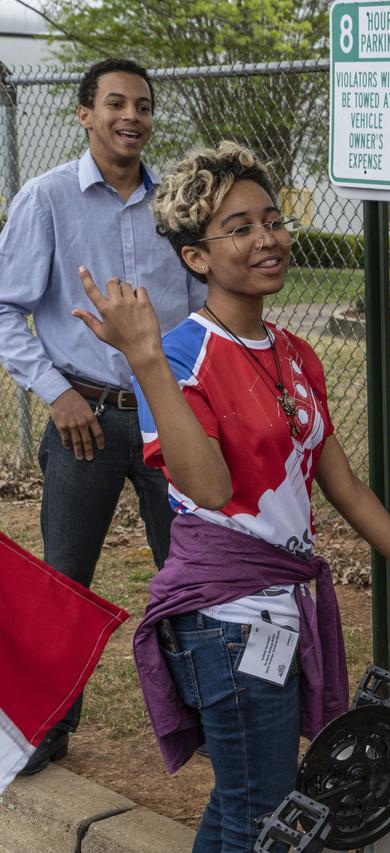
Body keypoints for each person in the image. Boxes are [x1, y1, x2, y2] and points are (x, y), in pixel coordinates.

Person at [71, 141, 390, 851]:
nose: (269, 239)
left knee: (243, 806)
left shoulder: (296, 352)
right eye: (240, 228)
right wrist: (142, 359)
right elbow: (207, 487)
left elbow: (344, 485)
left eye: (273, 218)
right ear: (196, 257)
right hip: (226, 622)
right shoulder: (178, 357)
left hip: (278, 608)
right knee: (265, 814)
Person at [0, 58, 206, 776]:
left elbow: (204, 303)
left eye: (143, 106)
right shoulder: (46, 198)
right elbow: (5, 308)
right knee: (65, 579)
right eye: (116, 103)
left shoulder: (174, 204)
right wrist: (55, 391)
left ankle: (208, 710)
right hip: (81, 416)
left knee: (189, 569)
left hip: (166, 416)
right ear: (84, 113)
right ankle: (46, 728)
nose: (132, 117)